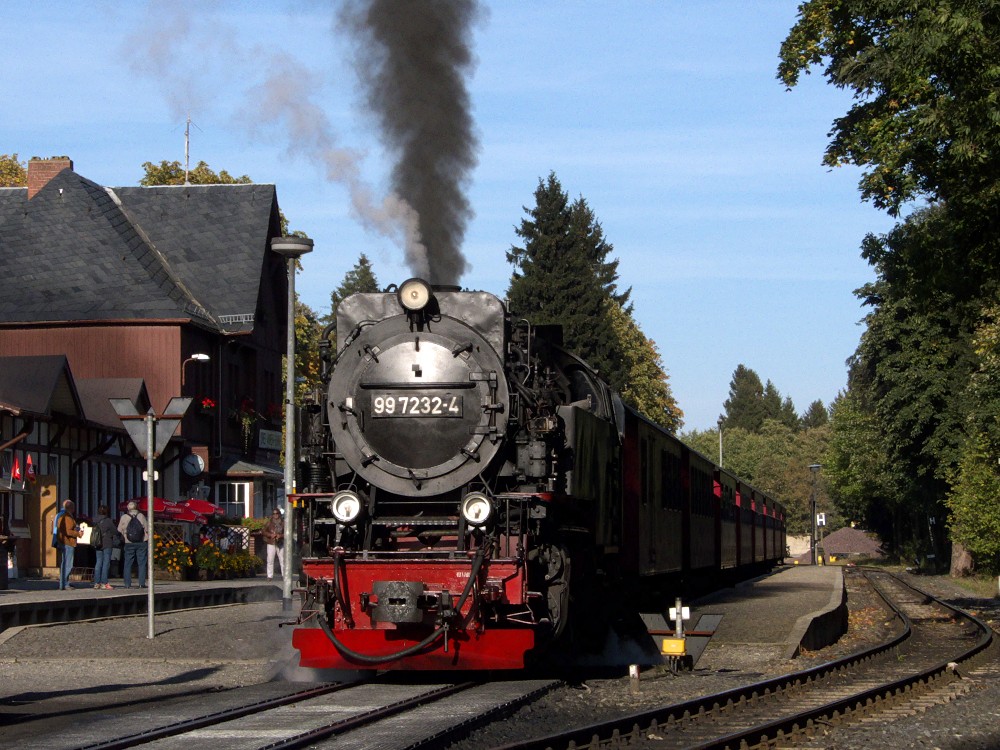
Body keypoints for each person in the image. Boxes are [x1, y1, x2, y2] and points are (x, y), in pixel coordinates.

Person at [117, 501, 149, 588]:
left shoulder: (124, 517)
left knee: (127, 563)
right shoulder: (141, 516)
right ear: (136, 507)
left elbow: (119, 530)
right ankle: (141, 583)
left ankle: (127, 584)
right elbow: (147, 529)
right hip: (141, 542)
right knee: (141, 563)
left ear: (128, 508)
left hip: (128, 543)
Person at [57, 500, 83, 590]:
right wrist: (78, 534)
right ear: (71, 508)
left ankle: (64, 583)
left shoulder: (61, 516)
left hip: (63, 542)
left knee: (65, 563)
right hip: (68, 542)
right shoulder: (67, 517)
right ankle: (64, 584)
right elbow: (68, 531)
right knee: (68, 564)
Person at [92, 505, 117, 590]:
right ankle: (104, 582)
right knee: (106, 563)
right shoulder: (108, 521)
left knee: (98, 563)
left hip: (97, 543)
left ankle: (96, 583)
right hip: (107, 543)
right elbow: (115, 531)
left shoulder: (94, 520)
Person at [262, 508, 284, 581]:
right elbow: (263, 531)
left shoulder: (283, 523)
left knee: (282, 560)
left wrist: (280, 536)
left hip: (280, 542)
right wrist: (270, 535)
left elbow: (288, 533)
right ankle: (269, 576)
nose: (275, 515)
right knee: (270, 560)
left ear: (279, 514)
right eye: (274, 514)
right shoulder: (269, 523)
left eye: (277, 513)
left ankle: (284, 575)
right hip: (271, 542)